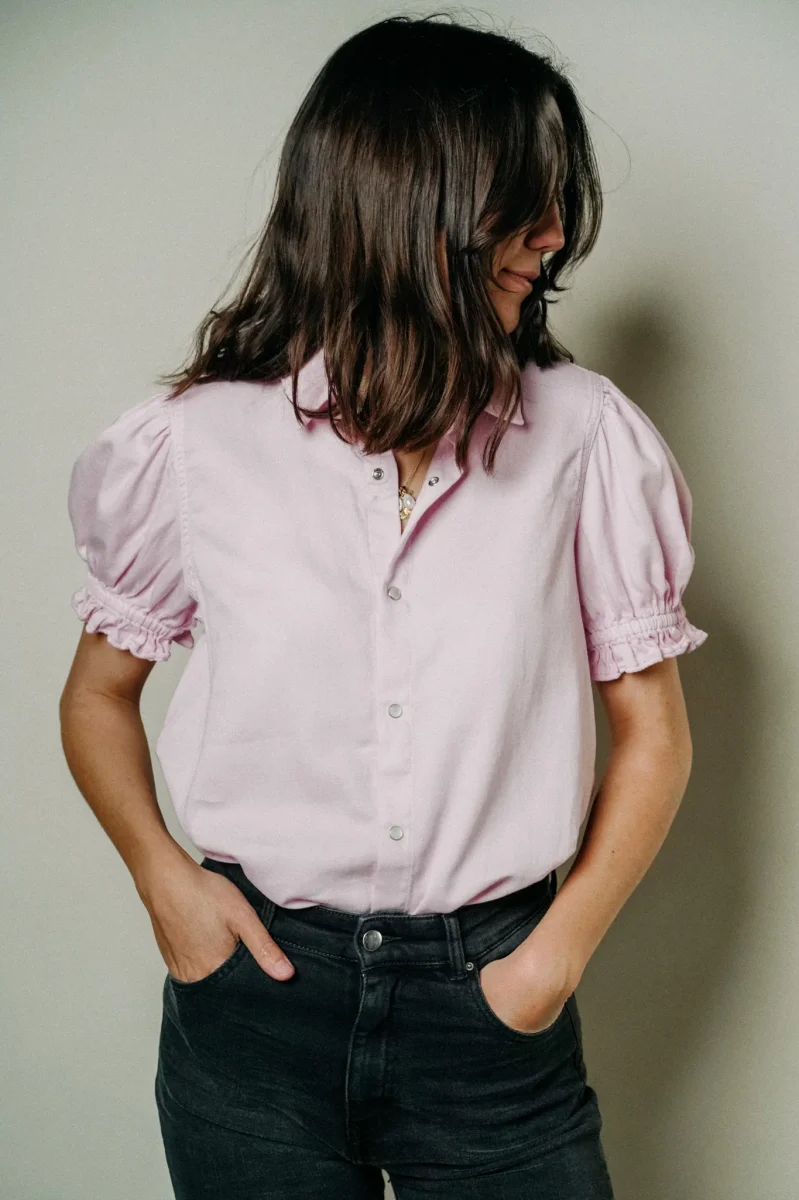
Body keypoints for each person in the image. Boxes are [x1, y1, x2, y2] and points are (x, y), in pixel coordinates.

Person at [59, 14, 708, 1199]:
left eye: (557, 202)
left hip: (490, 1007)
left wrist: (549, 963)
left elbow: (654, 732)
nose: (555, 235)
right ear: (406, 201)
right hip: (253, 1010)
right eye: (522, 201)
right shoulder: (195, 444)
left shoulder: (585, 438)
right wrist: (167, 885)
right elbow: (98, 696)